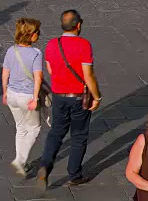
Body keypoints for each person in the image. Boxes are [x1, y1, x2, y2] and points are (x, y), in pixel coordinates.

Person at [37, 10, 103, 191]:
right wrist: (97, 97)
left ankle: (44, 166)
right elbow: (88, 75)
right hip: (79, 97)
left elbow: (50, 70)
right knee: (79, 135)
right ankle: (74, 175)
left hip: (58, 96)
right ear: (78, 25)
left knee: (56, 132)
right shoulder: (84, 45)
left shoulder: (52, 44)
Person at [2, 18, 43, 177]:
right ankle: (21, 160)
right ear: (31, 35)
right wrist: (35, 98)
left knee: (20, 127)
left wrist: (5, 92)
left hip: (12, 94)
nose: (39, 34)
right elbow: (38, 77)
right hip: (27, 96)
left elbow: (5, 73)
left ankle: (21, 161)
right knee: (34, 128)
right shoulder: (36, 53)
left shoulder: (11, 50)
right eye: (37, 32)